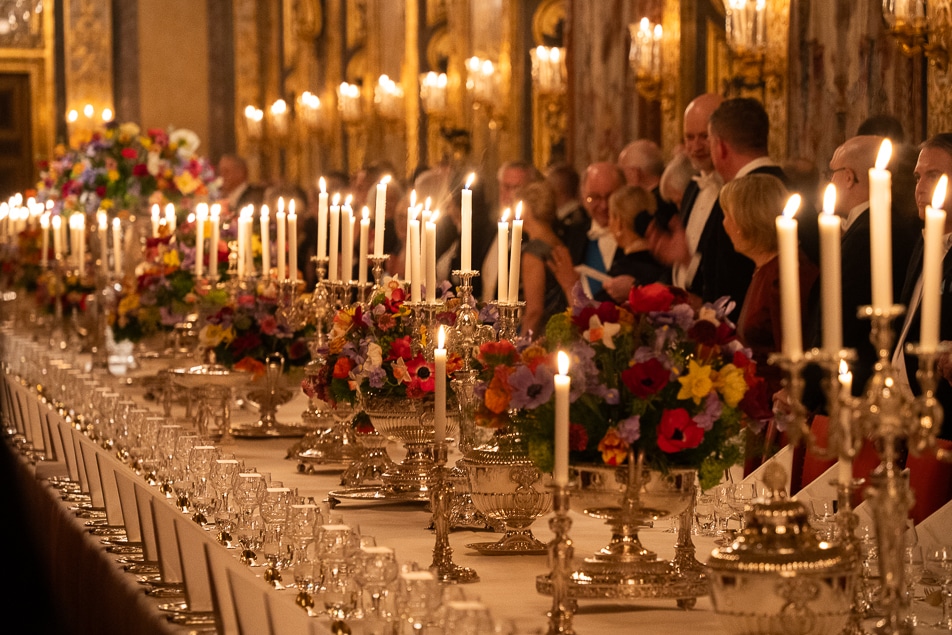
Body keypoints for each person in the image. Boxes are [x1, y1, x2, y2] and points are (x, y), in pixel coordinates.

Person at [720, 174, 819, 469]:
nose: (724, 223)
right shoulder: (765, 269)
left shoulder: (785, 275)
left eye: (727, 214)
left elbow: (791, 355)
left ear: (743, 220)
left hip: (776, 422)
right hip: (754, 414)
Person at [893, 132, 952, 440]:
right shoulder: (923, 241)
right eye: (918, 176)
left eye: (935, 175)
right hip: (906, 419)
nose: (920, 187)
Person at [647, 93, 725, 305]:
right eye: (689, 138)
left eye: (704, 137)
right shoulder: (692, 188)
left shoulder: (733, 192)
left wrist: (687, 260)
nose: (695, 147)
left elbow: (727, 277)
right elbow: (682, 268)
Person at [550, 161, 625, 299]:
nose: (603, 206)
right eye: (594, 197)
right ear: (583, 198)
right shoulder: (571, 236)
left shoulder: (639, 234)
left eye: (610, 196)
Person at [476, 160, 542, 302]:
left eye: (517, 188)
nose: (510, 195)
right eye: (506, 187)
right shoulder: (488, 230)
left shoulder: (535, 237)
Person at [594, 185, 668, 303]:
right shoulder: (668, 263)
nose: (609, 223)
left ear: (619, 223)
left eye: (611, 217)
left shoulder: (620, 274)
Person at [516, 181, 568, 336]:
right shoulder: (559, 243)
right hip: (560, 329)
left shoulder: (534, 252)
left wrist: (521, 346)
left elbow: (534, 311)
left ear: (526, 211)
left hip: (542, 336)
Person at [618, 139, 679, 226]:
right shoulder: (671, 195)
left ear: (635, 173)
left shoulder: (650, 207)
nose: (622, 180)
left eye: (623, 172)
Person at [545, 162, 586, 243]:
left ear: (555, 189)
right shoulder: (558, 217)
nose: (544, 189)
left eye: (547, 184)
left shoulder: (575, 221)